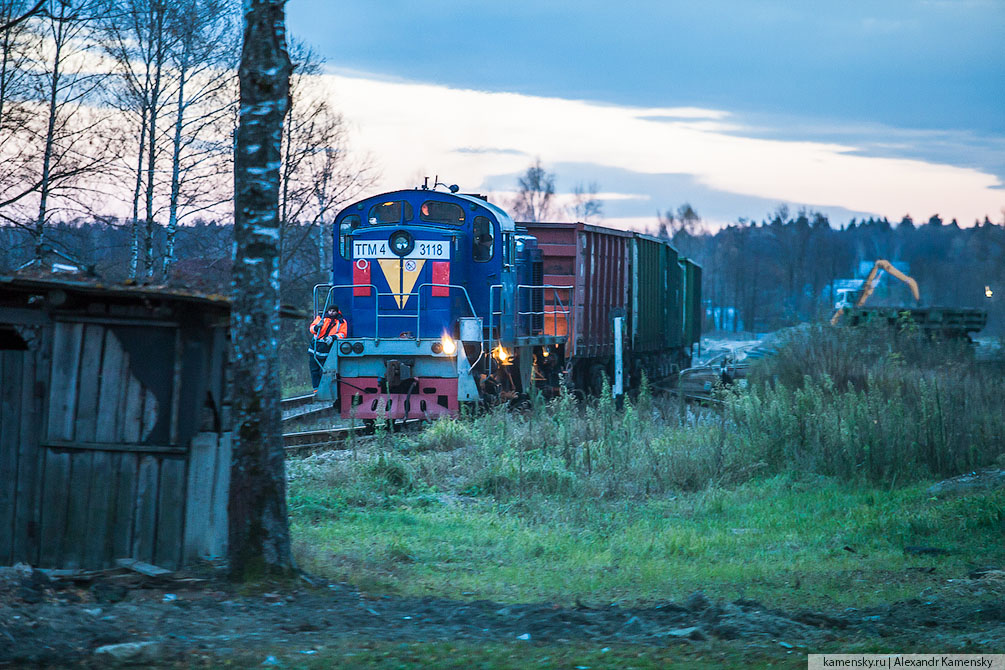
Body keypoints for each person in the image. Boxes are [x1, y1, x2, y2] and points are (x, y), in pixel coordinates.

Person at [308, 306, 347, 392]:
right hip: (315, 347)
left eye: (334, 311)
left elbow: (343, 334)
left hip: (327, 349)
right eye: (330, 311)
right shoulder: (320, 318)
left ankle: (324, 389)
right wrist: (317, 327)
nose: (331, 313)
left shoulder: (341, 322)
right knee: (314, 370)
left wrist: (332, 337)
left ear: (337, 312)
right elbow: (311, 329)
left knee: (324, 371)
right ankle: (316, 390)